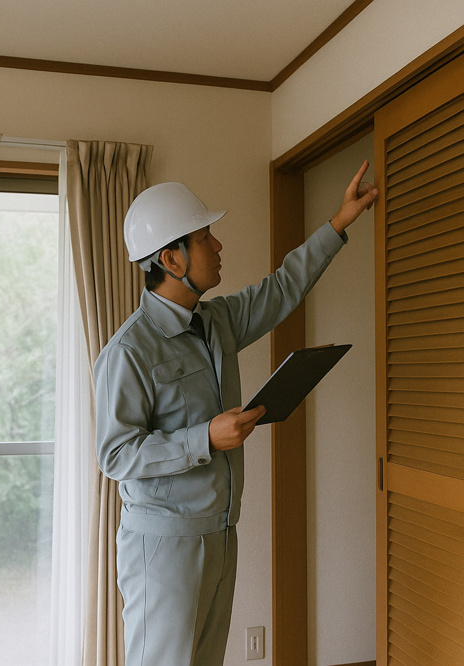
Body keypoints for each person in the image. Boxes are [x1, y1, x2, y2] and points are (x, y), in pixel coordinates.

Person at [93, 162, 378, 665]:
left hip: (222, 533)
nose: (218, 246)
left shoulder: (216, 321)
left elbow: (282, 288)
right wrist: (204, 437)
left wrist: (338, 223)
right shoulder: (128, 351)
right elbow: (115, 455)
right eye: (205, 238)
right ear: (172, 259)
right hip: (163, 547)